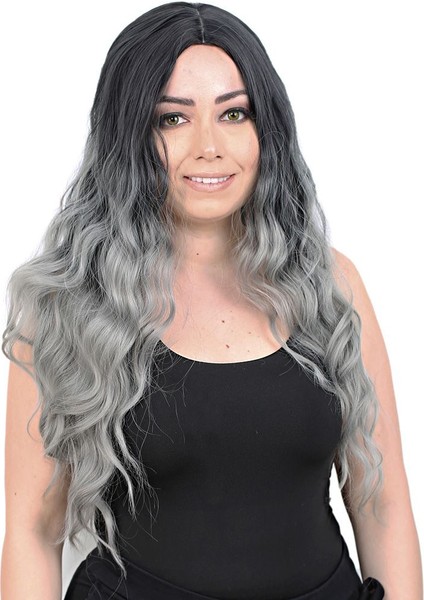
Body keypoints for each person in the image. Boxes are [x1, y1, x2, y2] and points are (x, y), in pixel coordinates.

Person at [1, 2, 422, 599]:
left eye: (234, 113)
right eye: (172, 119)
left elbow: (383, 507)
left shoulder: (330, 283)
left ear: (265, 128)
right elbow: (32, 533)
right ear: (128, 135)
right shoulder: (65, 302)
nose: (209, 146)